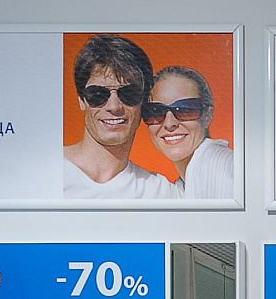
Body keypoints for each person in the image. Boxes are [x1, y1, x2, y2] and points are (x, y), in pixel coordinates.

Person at [62, 34, 178, 199]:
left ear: (143, 102)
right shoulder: (43, 171)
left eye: (128, 93)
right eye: (98, 94)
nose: (114, 106)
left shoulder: (159, 193)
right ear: (81, 100)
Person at [144, 65, 235, 201]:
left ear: (207, 116)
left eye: (185, 110)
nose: (169, 123)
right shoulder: (185, 184)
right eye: (156, 111)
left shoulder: (219, 167)